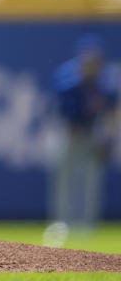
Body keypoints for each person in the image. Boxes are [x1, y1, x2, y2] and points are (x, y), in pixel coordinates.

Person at [48, 33, 119, 234]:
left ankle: (87, 225)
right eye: (88, 57)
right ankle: (61, 223)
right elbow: (57, 110)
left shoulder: (106, 80)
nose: (92, 62)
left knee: (91, 181)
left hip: (93, 133)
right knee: (64, 181)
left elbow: (112, 112)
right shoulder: (66, 78)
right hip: (67, 133)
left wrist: (110, 138)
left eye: (96, 58)